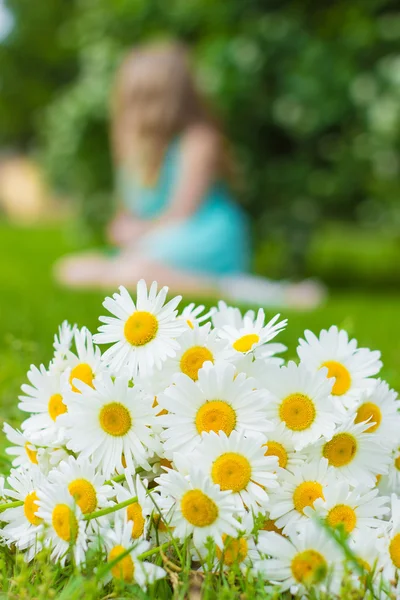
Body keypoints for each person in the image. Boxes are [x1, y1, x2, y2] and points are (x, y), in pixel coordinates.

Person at [56, 42, 324, 308]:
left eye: (147, 97)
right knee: (71, 270)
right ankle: (163, 277)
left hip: (200, 237)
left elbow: (181, 213)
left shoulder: (197, 140)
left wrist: (139, 233)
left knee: (131, 275)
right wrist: (122, 227)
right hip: (152, 243)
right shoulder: (129, 144)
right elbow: (130, 209)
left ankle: (253, 293)